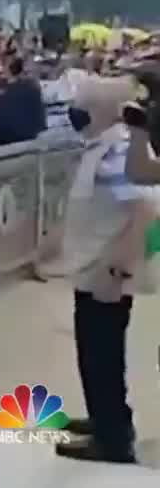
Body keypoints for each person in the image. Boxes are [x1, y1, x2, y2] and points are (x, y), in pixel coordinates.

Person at [50, 76, 151, 464]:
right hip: (92, 266)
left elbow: (144, 210)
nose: (76, 110)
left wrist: (121, 267)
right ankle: (105, 418)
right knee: (94, 350)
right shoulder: (100, 147)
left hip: (106, 270)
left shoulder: (119, 151)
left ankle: (112, 439)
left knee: (102, 355)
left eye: (84, 104)